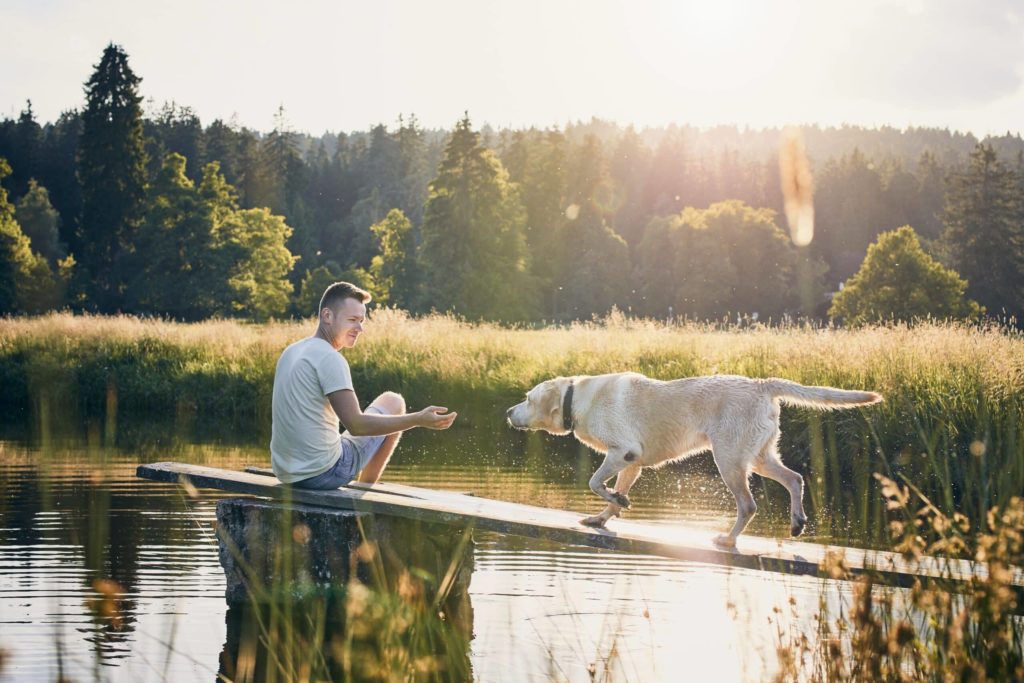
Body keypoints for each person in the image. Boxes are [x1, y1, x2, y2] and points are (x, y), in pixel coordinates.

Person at [270, 281, 456, 489]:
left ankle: (362, 488)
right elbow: (356, 426)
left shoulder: (291, 351)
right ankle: (364, 491)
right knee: (393, 401)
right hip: (324, 473)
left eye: (361, 320)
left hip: (286, 473)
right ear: (327, 316)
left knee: (348, 430)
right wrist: (418, 419)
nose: (359, 328)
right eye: (352, 320)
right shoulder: (329, 358)